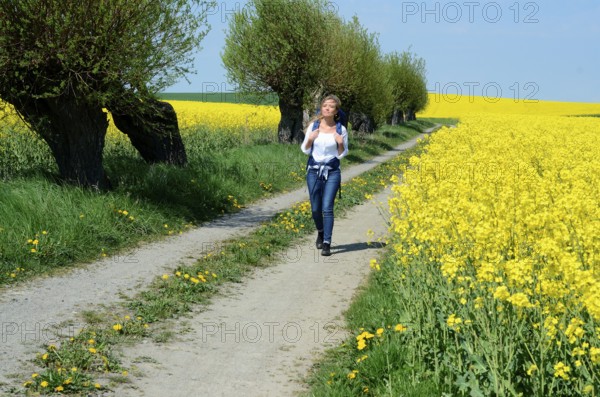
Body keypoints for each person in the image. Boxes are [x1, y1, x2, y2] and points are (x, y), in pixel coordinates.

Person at [300, 95, 349, 256]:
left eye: (331, 106)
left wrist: (340, 143)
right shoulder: (314, 127)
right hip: (313, 170)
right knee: (315, 209)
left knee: (327, 207)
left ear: (336, 111)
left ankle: (327, 242)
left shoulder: (341, 130)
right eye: (325, 105)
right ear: (321, 108)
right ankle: (320, 231)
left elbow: (342, 154)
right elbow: (305, 150)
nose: (327, 108)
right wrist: (310, 139)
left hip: (332, 172)